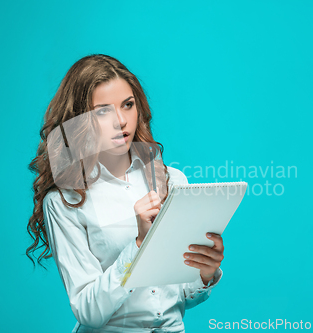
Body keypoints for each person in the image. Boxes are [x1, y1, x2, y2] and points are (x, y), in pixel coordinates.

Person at [26, 54, 224, 333]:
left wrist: (205, 272)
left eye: (127, 105)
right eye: (102, 111)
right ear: (78, 120)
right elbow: (88, 311)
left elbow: (174, 299)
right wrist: (140, 243)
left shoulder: (171, 180)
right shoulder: (65, 200)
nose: (121, 121)